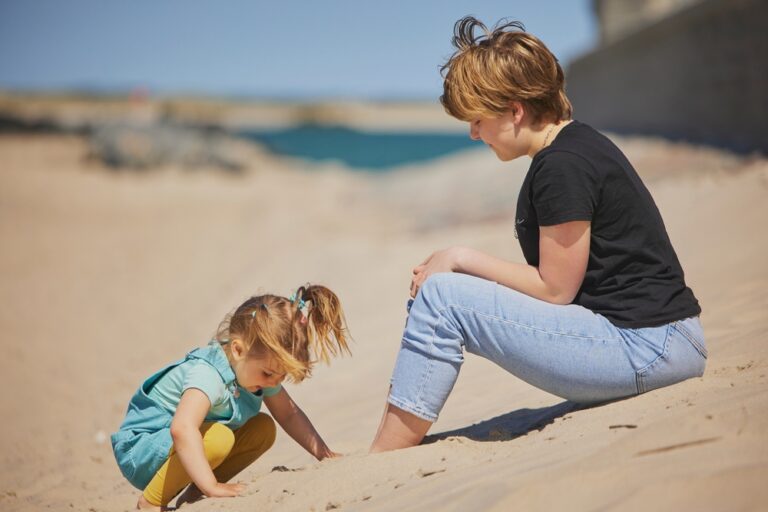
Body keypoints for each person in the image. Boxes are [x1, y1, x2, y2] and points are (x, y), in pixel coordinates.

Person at [370, 17, 706, 452]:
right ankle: (389, 444)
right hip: (651, 340)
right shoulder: (571, 148)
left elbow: (554, 290)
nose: (473, 133)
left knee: (443, 298)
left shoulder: (563, 165)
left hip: (650, 346)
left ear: (515, 110)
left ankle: (383, 457)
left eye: (477, 119)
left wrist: (459, 257)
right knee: (445, 293)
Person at [112, 285, 350, 509]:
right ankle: (150, 503)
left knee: (263, 429)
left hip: (177, 451)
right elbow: (182, 428)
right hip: (142, 451)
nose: (273, 383)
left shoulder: (253, 368)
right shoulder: (207, 374)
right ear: (237, 350)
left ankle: (194, 494)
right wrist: (212, 485)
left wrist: (324, 454)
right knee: (219, 438)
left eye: (281, 376)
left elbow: (288, 414)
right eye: (268, 373)